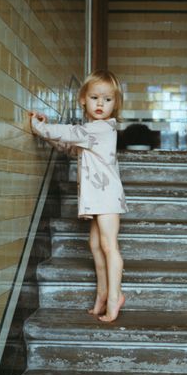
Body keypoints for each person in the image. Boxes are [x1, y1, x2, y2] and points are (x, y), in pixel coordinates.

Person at [28, 70, 128, 322]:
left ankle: (116, 297)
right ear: (83, 99)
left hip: (107, 196)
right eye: (95, 98)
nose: (100, 104)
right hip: (98, 197)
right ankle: (102, 293)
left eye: (107, 100)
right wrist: (47, 131)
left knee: (108, 246)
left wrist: (39, 126)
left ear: (115, 104)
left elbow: (68, 134)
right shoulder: (89, 132)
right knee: (95, 245)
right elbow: (68, 146)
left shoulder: (102, 128)